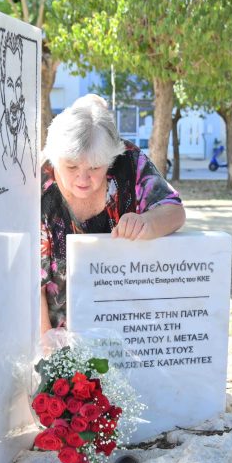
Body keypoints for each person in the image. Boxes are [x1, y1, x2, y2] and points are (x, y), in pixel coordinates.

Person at [40, 94, 185, 332]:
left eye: (95, 167)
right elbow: (30, 282)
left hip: (122, 322)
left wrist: (147, 222)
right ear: (55, 159)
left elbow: (174, 211)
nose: (83, 178)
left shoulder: (127, 160)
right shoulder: (39, 182)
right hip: (57, 328)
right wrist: (48, 351)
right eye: (72, 167)